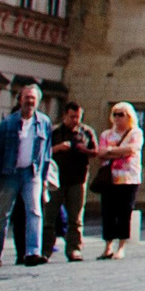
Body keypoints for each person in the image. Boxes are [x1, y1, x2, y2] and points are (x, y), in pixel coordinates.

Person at [0, 83, 53, 268]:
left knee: (35, 212)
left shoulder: (44, 122)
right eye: (27, 97)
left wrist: (45, 178)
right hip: (10, 173)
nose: (29, 101)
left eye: (33, 98)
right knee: (3, 214)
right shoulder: (8, 123)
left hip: (32, 173)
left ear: (38, 101)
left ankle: (32, 252)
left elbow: (46, 153)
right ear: (20, 99)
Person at [93, 103, 144, 259]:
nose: (117, 118)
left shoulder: (135, 132)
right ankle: (108, 246)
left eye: (121, 114)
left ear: (129, 116)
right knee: (108, 212)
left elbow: (131, 149)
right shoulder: (106, 134)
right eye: (114, 114)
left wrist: (110, 151)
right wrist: (116, 152)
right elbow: (100, 153)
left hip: (129, 178)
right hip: (109, 178)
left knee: (124, 212)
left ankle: (121, 246)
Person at [50, 104, 98, 261]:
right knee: (49, 215)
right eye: (72, 117)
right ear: (65, 116)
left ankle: (74, 249)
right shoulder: (55, 132)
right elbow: (43, 151)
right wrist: (58, 148)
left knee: (76, 217)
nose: (75, 120)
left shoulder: (87, 132)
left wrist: (86, 150)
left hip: (78, 179)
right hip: (56, 180)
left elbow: (96, 152)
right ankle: (45, 249)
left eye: (78, 117)